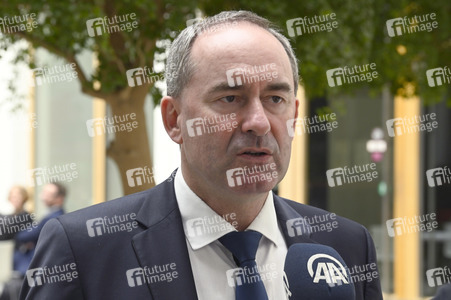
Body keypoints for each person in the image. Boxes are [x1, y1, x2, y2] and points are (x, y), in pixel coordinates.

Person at [20, 11, 383, 300]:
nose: (258, 122)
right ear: (174, 119)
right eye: (230, 98)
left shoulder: (345, 246)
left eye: (275, 99)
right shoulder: (84, 251)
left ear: (295, 114)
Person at [0, 186, 34, 300]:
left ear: (24, 198)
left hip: (21, 264)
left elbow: (4, 232)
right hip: (11, 262)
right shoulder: (10, 217)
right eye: (13, 196)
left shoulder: (25, 217)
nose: (15, 199)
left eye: (18, 196)